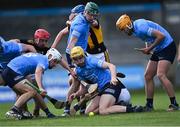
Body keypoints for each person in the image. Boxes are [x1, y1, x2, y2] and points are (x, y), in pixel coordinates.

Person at [116, 14, 179, 111]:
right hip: (159, 48)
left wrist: (149, 48)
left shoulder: (140, 27)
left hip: (167, 46)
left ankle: (174, 104)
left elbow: (161, 36)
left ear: (128, 25)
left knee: (161, 75)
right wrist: (148, 49)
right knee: (147, 76)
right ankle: (149, 106)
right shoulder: (135, 30)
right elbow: (148, 38)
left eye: (124, 29)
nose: (124, 32)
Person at [52, 2, 100, 116]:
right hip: (77, 57)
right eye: (92, 15)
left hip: (82, 55)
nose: (93, 18)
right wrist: (72, 66)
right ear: (86, 13)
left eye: (95, 16)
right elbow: (69, 48)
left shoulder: (82, 18)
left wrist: (69, 22)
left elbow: (93, 22)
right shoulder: (80, 26)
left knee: (80, 83)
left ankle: (75, 109)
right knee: (75, 83)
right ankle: (68, 110)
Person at [68, 46, 143, 115]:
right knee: (88, 112)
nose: (79, 61)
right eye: (75, 59)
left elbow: (111, 66)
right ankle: (118, 105)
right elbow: (85, 88)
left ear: (84, 56)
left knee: (103, 110)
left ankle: (132, 109)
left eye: (80, 58)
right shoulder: (78, 71)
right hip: (101, 90)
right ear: (72, 60)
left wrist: (113, 78)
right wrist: (77, 94)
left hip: (110, 85)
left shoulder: (91, 60)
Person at [1, 48, 64, 119]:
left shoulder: (40, 57)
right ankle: (13, 111)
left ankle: (47, 113)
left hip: (12, 71)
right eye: (55, 61)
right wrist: (40, 87)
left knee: (34, 92)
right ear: (50, 57)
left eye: (57, 62)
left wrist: (48, 113)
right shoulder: (45, 61)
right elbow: (38, 72)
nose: (55, 65)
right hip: (13, 72)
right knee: (31, 91)